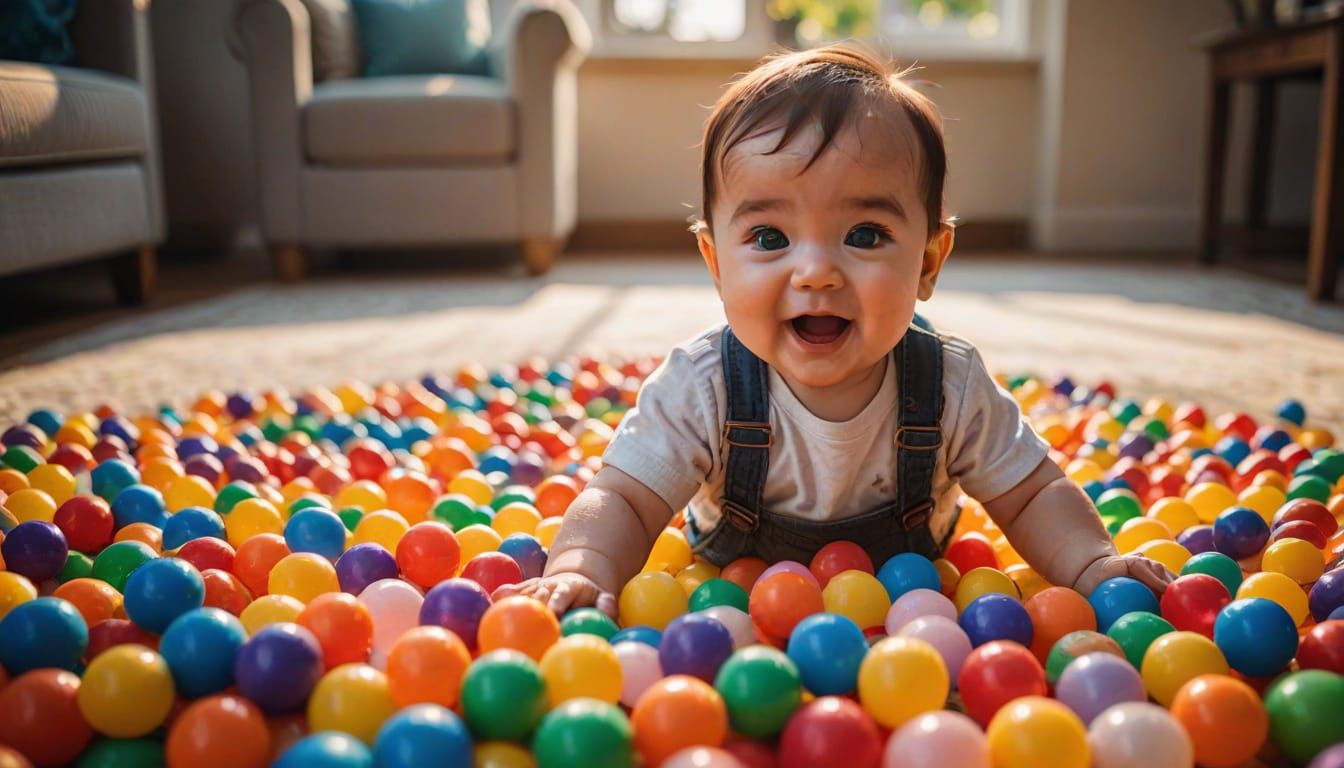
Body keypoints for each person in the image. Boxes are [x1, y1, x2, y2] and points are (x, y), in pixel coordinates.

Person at [495, 44, 1172, 617]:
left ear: (929, 261)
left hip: (911, 620)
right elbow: (623, 498)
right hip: (730, 608)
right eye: (769, 236)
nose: (816, 271)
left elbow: (1033, 493)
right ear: (715, 265)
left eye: (865, 234)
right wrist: (582, 568)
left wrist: (1092, 563)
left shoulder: (949, 385)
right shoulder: (702, 385)